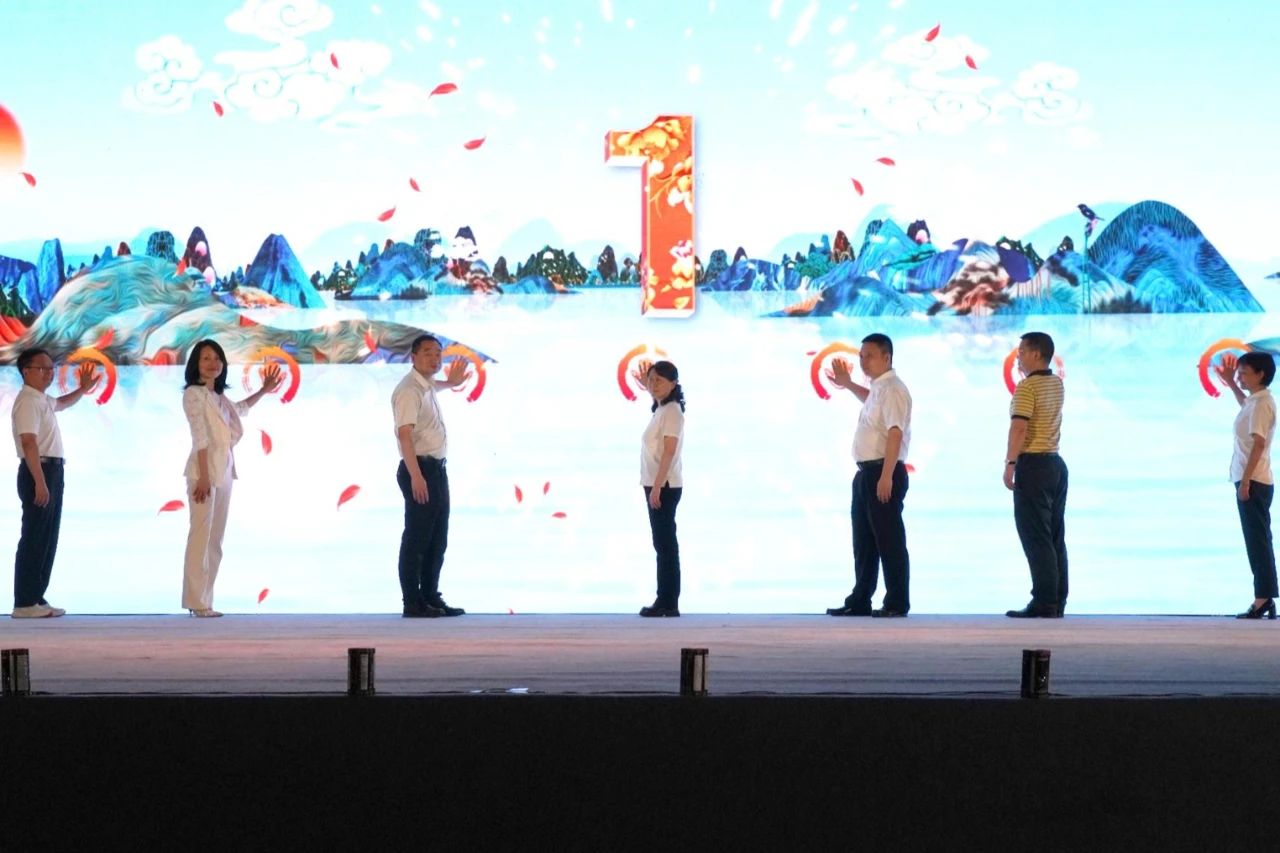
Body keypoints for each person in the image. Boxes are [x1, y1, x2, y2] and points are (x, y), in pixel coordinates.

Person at [181, 340, 281, 617]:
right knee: (201, 537)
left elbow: (240, 409)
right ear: (196, 364)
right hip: (203, 472)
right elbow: (200, 437)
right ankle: (196, 601)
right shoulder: (193, 394)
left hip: (224, 470)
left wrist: (264, 390)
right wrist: (203, 477)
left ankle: (205, 600)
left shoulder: (218, 397)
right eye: (205, 359)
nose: (212, 363)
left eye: (217, 358)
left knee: (215, 540)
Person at [825, 333, 913, 618]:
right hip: (866, 473)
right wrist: (848, 383)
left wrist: (886, 476)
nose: (863, 361)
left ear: (887, 357)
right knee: (863, 541)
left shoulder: (894, 389)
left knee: (889, 540)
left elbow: (895, 433)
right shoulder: (879, 388)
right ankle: (861, 598)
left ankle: (896, 602)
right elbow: (870, 401)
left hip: (882, 471)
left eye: (870, 356)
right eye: (861, 356)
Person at [10, 349, 97, 618]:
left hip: (51, 471)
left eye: (51, 368)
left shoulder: (41, 399)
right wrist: (39, 481)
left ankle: (35, 597)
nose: (49, 373)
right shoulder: (27, 401)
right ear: (26, 371)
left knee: (47, 537)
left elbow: (61, 403)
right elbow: (28, 442)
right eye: (43, 368)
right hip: (39, 470)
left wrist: (82, 389)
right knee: (35, 536)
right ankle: (25, 601)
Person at [393, 334, 469, 618]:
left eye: (438, 353)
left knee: (437, 538)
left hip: (435, 469)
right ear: (413, 357)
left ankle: (430, 596)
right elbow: (404, 435)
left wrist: (452, 383)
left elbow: (435, 386)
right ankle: (412, 601)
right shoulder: (409, 390)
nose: (434, 359)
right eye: (427, 353)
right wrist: (416, 476)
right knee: (417, 538)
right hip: (421, 469)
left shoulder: (425, 386)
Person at [1003, 332, 1068, 618]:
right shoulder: (1056, 383)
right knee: (1054, 536)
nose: (1018, 357)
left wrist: (1010, 463)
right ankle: (1056, 600)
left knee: (1036, 536)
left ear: (1036, 354)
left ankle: (1043, 600)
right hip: (1055, 463)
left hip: (1034, 465)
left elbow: (1019, 428)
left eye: (1022, 351)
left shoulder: (1027, 387)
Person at [1216, 351, 1278, 619]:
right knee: (1257, 539)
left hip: (1253, 480)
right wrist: (1231, 383)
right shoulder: (1256, 401)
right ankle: (1265, 597)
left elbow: (1259, 443)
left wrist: (1246, 482)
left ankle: (1262, 599)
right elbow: (1245, 406)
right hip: (1250, 478)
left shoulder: (1262, 403)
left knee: (1257, 541)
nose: (1239, 377)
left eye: (1243, 373)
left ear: (1260, 374)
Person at [639, 361, 685, 617]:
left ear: (673, 383)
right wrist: (648, 387)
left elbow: (669, 451)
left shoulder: (672, 411)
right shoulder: (662, 408)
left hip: (664, 485)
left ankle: (668, 602)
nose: (654, 384)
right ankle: (666, 599)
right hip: (657, 484)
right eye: (651, 380)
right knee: (662, 543)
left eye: (659, 380)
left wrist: (657, 486)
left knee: (666, 545)